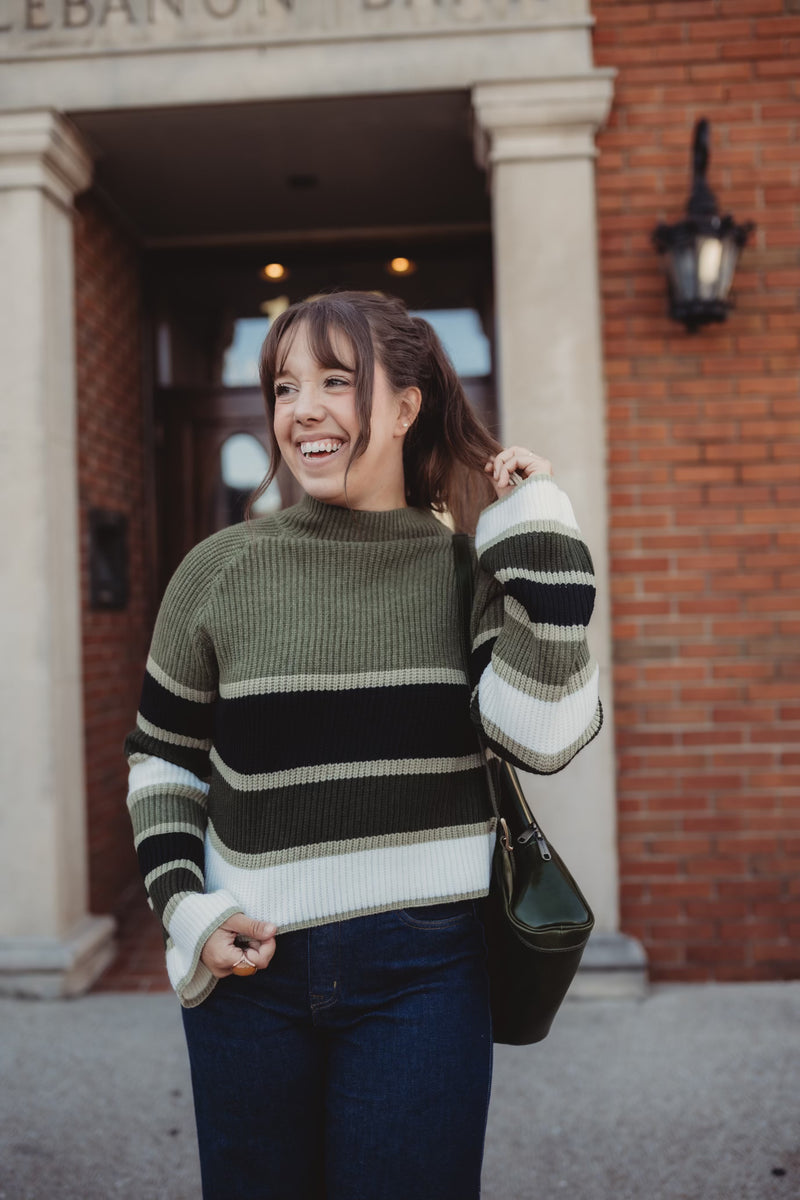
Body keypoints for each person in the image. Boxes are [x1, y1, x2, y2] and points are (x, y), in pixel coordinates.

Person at [124, 290, 602, 1200]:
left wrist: (536, 521)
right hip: (248, 975)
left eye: (336, 381)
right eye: (284, 386)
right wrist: (186, 910)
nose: (300, 408)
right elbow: (165, 758)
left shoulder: (468, 570)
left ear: (406, 405)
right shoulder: (218, 572)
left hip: (426, 972)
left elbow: (546, 736)